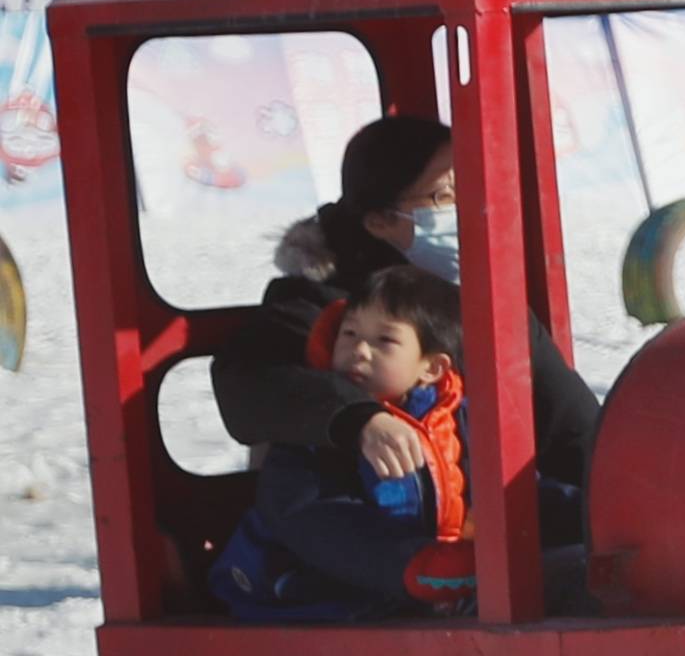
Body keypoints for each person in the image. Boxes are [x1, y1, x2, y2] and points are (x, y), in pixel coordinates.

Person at [211, 112, 595, 532]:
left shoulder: (481, 297)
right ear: (380, 221)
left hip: (486, 533)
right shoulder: (323, 304)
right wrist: (358, 419)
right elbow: (246, 383)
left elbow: (575, 431)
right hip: (371, 544)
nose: (468, 209)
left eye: (472, 187)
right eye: (445, 197)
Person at [208, 270, 481, 619]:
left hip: (408, 593)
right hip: (309, 600)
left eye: (385, 340)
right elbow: (315, 518)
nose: (360, 350)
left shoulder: (454, 421)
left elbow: (498, 486)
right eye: (349, 334)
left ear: (432, 368)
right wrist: (410, 566)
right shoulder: (314, 432)